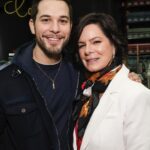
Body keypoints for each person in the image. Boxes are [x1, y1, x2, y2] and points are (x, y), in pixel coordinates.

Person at [0, 0, 141, 150]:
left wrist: (128, 80)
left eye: (63, 21)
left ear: (70, 26)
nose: (55, 28)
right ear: (32, 25)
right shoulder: (5, 81)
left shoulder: (81, 70)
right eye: (46, 20)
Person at [73, 13, 150, 150]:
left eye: (96, 42)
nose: (88, 50)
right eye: (81, 45)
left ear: (114, 45)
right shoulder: (85, 91)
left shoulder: (136, 94)